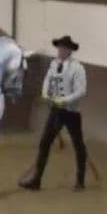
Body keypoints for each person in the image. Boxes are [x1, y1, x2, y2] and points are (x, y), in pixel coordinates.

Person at [20, 35, 88, 191]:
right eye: (59, 48)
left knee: (78, 144)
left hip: (71, 111)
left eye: (63, 48)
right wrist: (46, 95)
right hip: (56, 109)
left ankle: (80, 180)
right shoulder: (53, 65)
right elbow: (47, 82)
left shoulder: (77, 68)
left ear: (69, 50)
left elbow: (81, 90)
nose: (60, 50)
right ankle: (36, 179)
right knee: (45, 143)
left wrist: (65, 100)